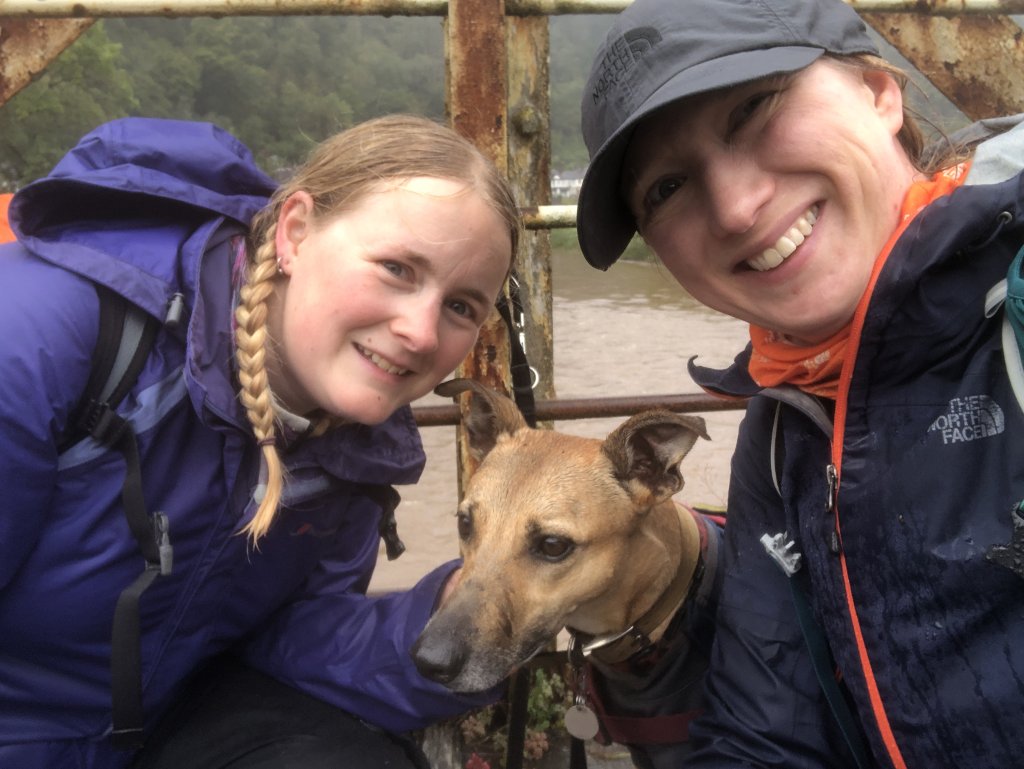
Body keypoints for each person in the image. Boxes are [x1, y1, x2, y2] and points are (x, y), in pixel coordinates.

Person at [576, 0, 1024, 766]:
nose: (737, 207)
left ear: (880, 92)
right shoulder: (784, 436)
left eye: (753, 107)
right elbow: (764, 730)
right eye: (666, 188)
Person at [0, 114, 520, 769]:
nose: (420, 332)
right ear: (295, 231)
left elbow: (286, 636)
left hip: (163, 724)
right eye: (396, 268)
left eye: (461, 307)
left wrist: (451, 619)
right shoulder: (41, 329)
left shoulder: (357, 448)